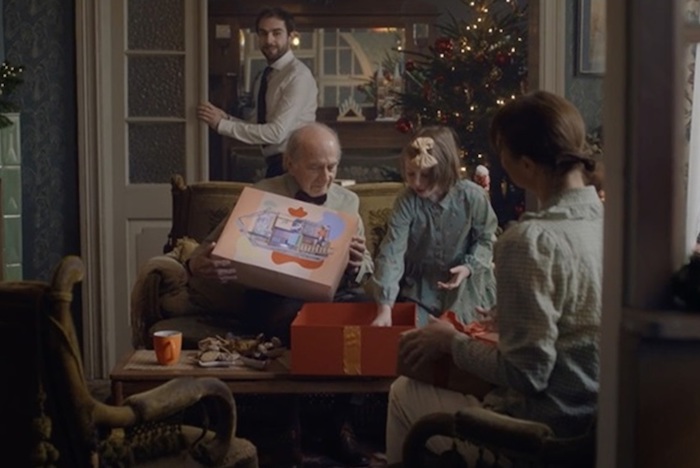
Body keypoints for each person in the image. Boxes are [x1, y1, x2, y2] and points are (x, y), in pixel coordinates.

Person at [384, 91, 603, 464]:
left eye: (502, 151)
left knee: (403, 392)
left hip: (538, 435)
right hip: (592, 426)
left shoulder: (530, 241)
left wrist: (451, 341)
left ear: (526, 165)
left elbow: (526, 375)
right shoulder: (606, 222)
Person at [186, 122, 372, 467]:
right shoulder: (262, 194)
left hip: (330, 297)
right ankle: (289, 428)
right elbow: (204, 251)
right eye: (315, 167)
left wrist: (357, 263)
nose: (326, 176)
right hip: (273, 298)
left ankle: (340, 424)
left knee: (365, 315)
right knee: (293, 321)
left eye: (332, 167)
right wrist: (199, 264)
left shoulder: (348, 201)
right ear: (290, 163)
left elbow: (367, 265)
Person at [369, 125, 498, 328]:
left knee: (460, 333)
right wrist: (385, 307)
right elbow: (392, 250)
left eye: (426, 175)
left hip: (466, 287)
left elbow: (486, 238)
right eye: (411, 174)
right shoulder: (407, 201)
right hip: (421, 289)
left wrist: (468, 267)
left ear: (445, 171)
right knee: (418, 335)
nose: (417, 183)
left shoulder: (472, 196)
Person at [197, 7, 318, 178]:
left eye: (276, 33)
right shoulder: (264, 76)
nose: (269, 40)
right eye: (263, 33)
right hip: (277, 165)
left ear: (291, 37)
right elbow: (258, 125)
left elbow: (275, 133)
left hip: (297, 166)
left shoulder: (298, 76)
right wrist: (226, 118)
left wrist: (221, 125)